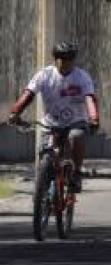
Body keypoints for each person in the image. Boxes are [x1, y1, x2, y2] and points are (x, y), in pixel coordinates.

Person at [6, 42, 100, 193]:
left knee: (76, 136)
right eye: (61, 58)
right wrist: (16, 112)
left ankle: (75, 174)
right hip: (50, 123)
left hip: (75, 121)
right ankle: (41, 193)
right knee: (45, 153)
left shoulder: (81, 77)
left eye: (69, 59)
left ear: (73, 60)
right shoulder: (44, 75)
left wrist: (94, 118)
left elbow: (90, 98)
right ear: (55, 59)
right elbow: (29, 94)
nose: (65, 62)